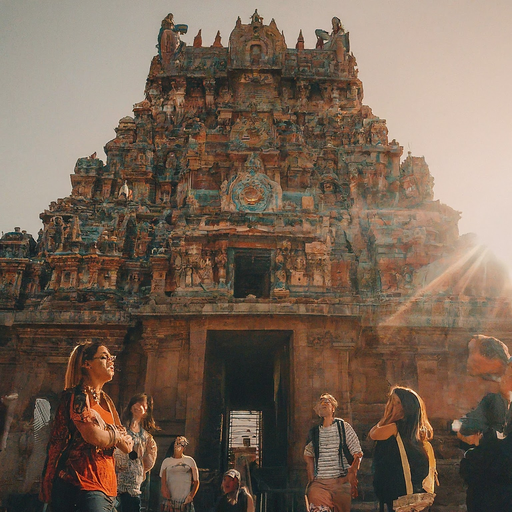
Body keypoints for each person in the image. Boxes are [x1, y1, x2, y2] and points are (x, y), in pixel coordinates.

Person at [40, 341, 133, 512]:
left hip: (107, 486)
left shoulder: (107, 402)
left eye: (111, 357)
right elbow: (93, 436)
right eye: (104, 357)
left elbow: (127, 446)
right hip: (80, 482)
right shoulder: (77, 396)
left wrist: (105, 428)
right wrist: (114, 435)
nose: (111, 361)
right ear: (86, 363)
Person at [369, 386, 433, 512]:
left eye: (397, 403)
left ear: (406, 406)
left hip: (400, 490)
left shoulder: (395, 428)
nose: (393, 406)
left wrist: (388, 416)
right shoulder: (414, 431)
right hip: (410, 489)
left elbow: (373, 434)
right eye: (392, 402)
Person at [304, 393, 363, 512]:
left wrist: (351, 475)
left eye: (326, 402)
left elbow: (357, 453)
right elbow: (308, 452)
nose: (323, 404)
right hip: (320, 484)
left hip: (340, 482)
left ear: (333, 408)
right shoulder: (315, 432)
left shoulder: (343, 427)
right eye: (321, 403)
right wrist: (311, 474)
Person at [115, 393, 158, 512]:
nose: (138, 406)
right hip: (118, 481)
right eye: (137, 402)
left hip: (135, 483)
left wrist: (146, 455)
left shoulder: (146, 437)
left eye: (143, 405)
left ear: (146, 412)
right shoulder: (121, 429)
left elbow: (149, 463)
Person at [160, 436, 199, 511]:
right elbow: (163, 482)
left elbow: (196, 481)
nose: (178, 445)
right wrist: (167, 498)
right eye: (177, 443)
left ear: (184, 447)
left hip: (185, 502)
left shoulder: (190, 461)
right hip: (170, 502)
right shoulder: (166, 462)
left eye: (181, 444)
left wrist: (191, 496)